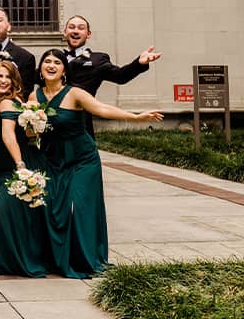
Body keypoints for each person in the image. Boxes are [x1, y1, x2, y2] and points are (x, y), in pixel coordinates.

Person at [30, 49, 162, 277]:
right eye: (47, 62)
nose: (51, 65)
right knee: (54, 208)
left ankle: (86, 259)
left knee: (79, 207)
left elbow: (102, 109)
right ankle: (58, 257)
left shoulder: (75, 93)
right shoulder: (34, 97)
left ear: (64, 70)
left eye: (57, 63)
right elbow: (30, 131)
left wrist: (136, 117)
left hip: (82, 159)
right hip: (53, 160)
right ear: (41, 69)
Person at [0, 61, 48, 277]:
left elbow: (9, 135)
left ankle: (13, 260)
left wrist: (20, 165)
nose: (3, 80)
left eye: (7, 77)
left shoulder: (10, 103)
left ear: (14, 80)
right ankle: (3, 260)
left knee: (0, 210)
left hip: (14, 164)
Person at [62, 15, 162, 138]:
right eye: (71, 27)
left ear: (88, 34)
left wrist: (139, 63)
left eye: (81, 28)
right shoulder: (53, 60)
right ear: (65, 32)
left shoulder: (98, 59)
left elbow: (121, 76)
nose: (76, 30)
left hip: (80, 123)